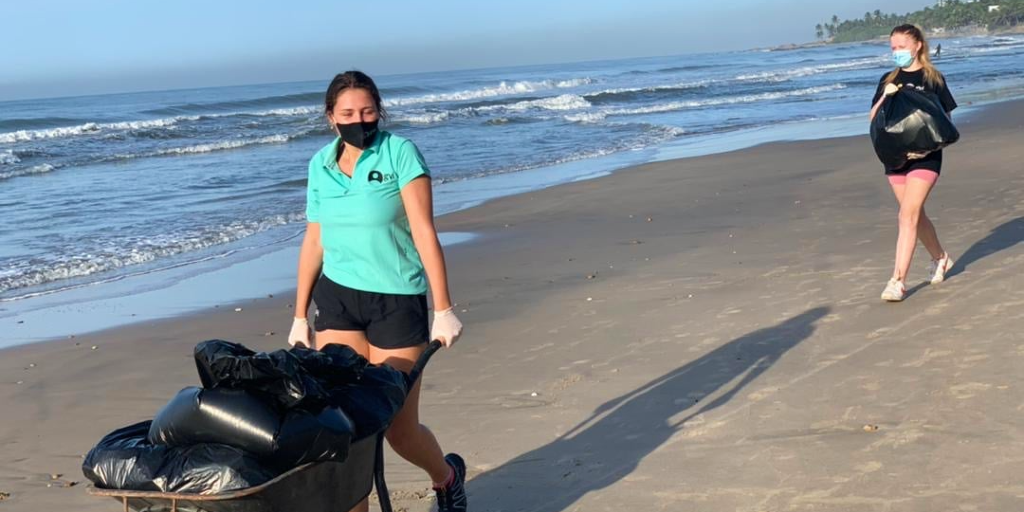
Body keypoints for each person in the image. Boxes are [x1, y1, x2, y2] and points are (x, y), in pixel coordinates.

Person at [288, 71, 467, 512]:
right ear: (331, 117)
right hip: (338, 300)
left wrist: (443, 308)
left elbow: (424, 232)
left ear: (379, 112)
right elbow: (314, 241)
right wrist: (298, 316)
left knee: (397, 430)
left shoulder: (400, 153)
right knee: (343, 429)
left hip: (396, 300)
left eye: (367, 111)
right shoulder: (320, 166)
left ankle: (445, 477)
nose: (358, 120)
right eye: (347, 113)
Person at [869, 25, 957, 302]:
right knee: (915, 216)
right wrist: (887, 95)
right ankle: (940, 258)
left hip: (925, 158)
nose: (897, 52)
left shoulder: (933, 78)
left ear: (917, 45)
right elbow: (873, 117)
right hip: (895, 159)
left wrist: (925, 148)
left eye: (902, 46)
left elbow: (946, 123)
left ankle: (897, 281)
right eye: (893, 48)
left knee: (906, 216)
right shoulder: (888, 78)